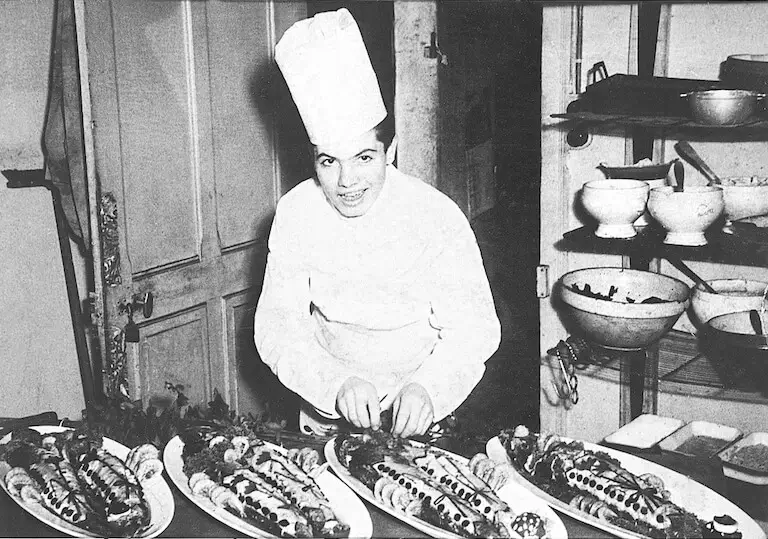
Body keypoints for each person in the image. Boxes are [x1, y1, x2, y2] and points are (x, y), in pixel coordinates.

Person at [253, 8, 501, 438]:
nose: (347, 182)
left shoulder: (436, 218)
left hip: (420, 414)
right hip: (324, 409)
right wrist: (334, 384)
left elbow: (475, 330)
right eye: (328, 162)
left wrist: (429, 389)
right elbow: (277, 326)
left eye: (364, 158)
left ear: (391, 150)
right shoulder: (296, 213)